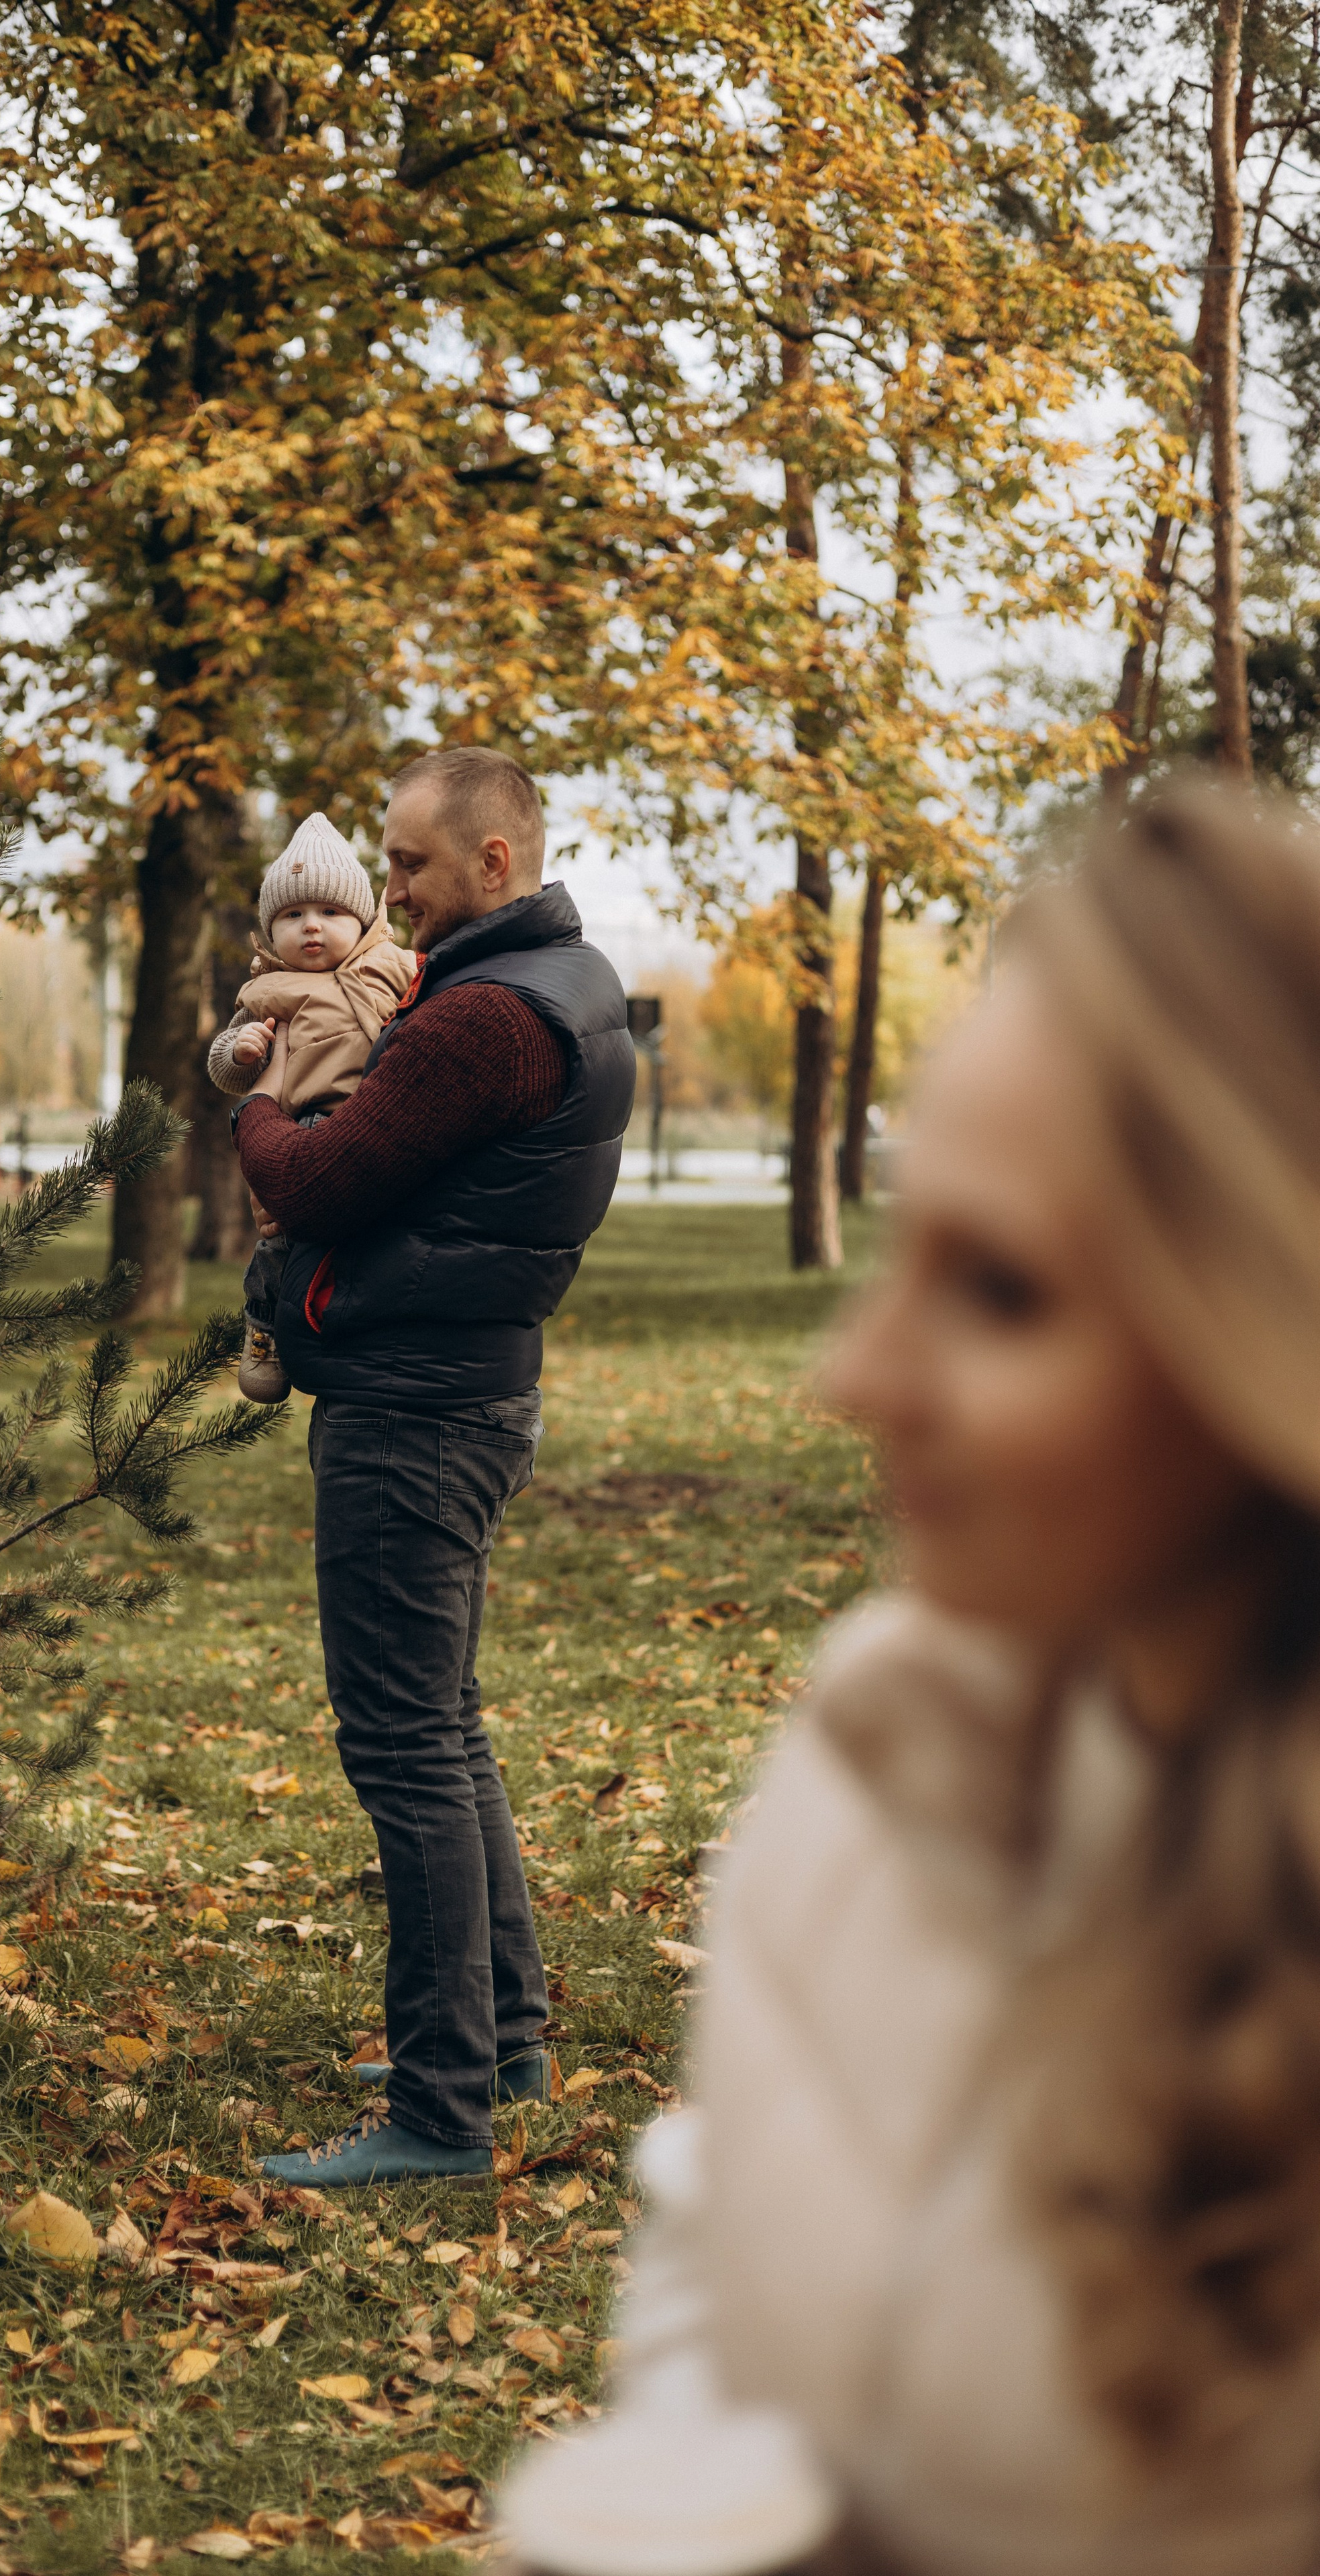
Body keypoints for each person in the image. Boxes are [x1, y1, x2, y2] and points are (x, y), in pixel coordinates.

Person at [500, 780, 1320, 2576]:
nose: (855, 1377)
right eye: (900, 1253)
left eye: (1006, 1291)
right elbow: (721, 2236)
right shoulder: (883, 1741)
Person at [232, 746, 636, 2188]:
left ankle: (437, 2108)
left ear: (491, 865)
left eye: (405, 864)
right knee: (441, 1724)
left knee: (401, 1744)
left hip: (414, 1411)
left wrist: (252, 1107)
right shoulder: (566, 985)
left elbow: (318, 1181)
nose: (384, 888)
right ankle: (502, 2036)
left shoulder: (479, 1019)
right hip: (466, 1387)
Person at [205, 811, 419, 1400]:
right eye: (293, 916)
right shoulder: (268, 992)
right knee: (279, 1241)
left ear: (366, 919)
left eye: (330, 912)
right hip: (302, 1125)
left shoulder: (396, 969)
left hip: (379, 1118)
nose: (312, 928)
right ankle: (265, 1325)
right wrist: (242, 1051)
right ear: (271, 932)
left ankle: (350, 1320)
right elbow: (224, 1069)